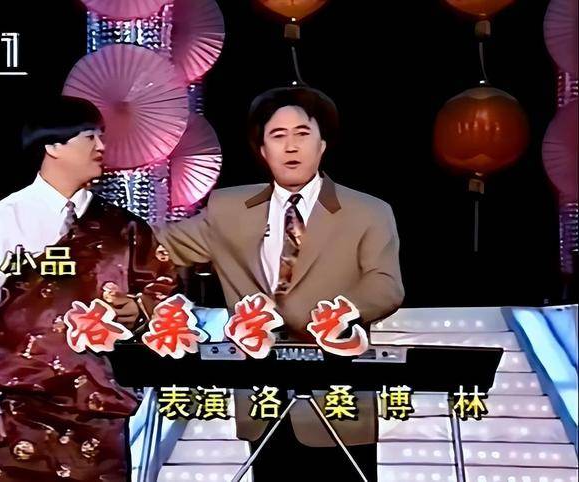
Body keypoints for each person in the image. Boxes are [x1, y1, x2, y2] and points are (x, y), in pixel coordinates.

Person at [152, 85, 405, 479]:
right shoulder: (228, 210)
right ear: (262, 149)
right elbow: (156, 248)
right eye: (278, 135)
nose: (291, 147)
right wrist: (90, 243)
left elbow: (385, 284)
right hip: (262, 396)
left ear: (322, 144)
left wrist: (333, 315)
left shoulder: (368, 212)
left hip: (337, 397)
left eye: (302, 134)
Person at [0, 96, 178, 481]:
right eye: (89, 136)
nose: (101, 146)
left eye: (101, 135)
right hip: (16, 410)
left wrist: (139, 310)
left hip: (99, 414)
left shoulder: (124, 228)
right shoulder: (2, 221)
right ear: (53, 145)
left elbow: (165, 294)